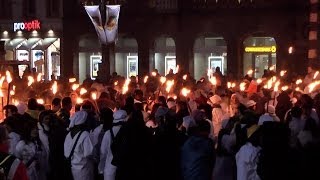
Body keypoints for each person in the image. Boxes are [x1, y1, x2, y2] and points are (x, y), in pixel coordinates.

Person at [64, 110, 94, 180]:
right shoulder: (85, 134)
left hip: (72, 170)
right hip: (83, 171)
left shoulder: (68, 135)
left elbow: (66, 154)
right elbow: (89, 153)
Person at [99, 110, 127, 180]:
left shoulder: (108, 133)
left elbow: (103, 153)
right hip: (125, 170)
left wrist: (101, 169)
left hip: (110, 170)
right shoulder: (129, 132)